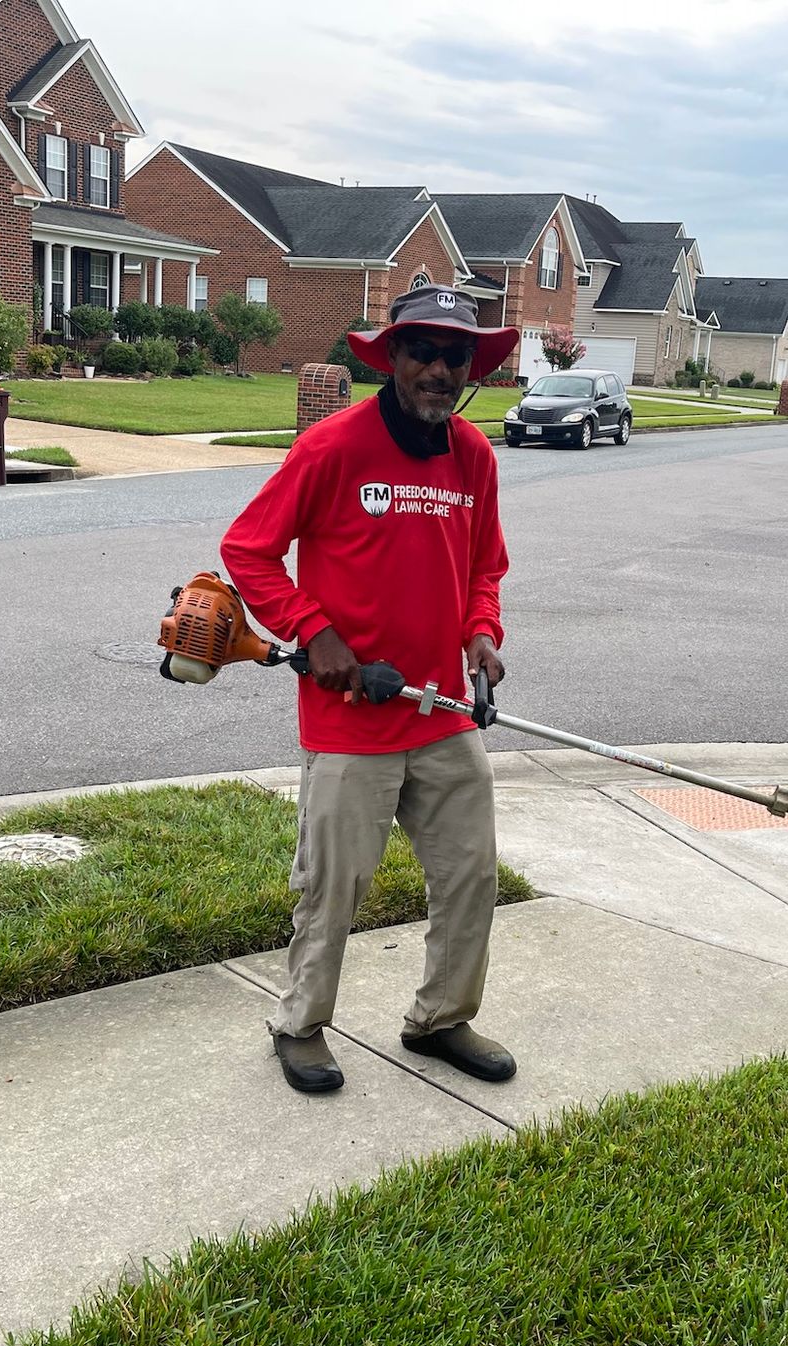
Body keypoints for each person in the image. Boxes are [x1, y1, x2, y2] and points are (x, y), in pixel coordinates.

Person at [220, 285, 519, 1094]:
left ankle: (441, 1019)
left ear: (469, 369)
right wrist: (315, 633)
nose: (438, 368)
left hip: (441, 712)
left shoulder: (473, 457)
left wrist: (480, 635)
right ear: (391, 358)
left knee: (470, 875)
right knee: (332, 887)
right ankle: (301, 1025)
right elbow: (248, 550)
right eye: (422, 351)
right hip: (350, 720)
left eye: (455, 356)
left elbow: (484, 567)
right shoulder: (334, 447)